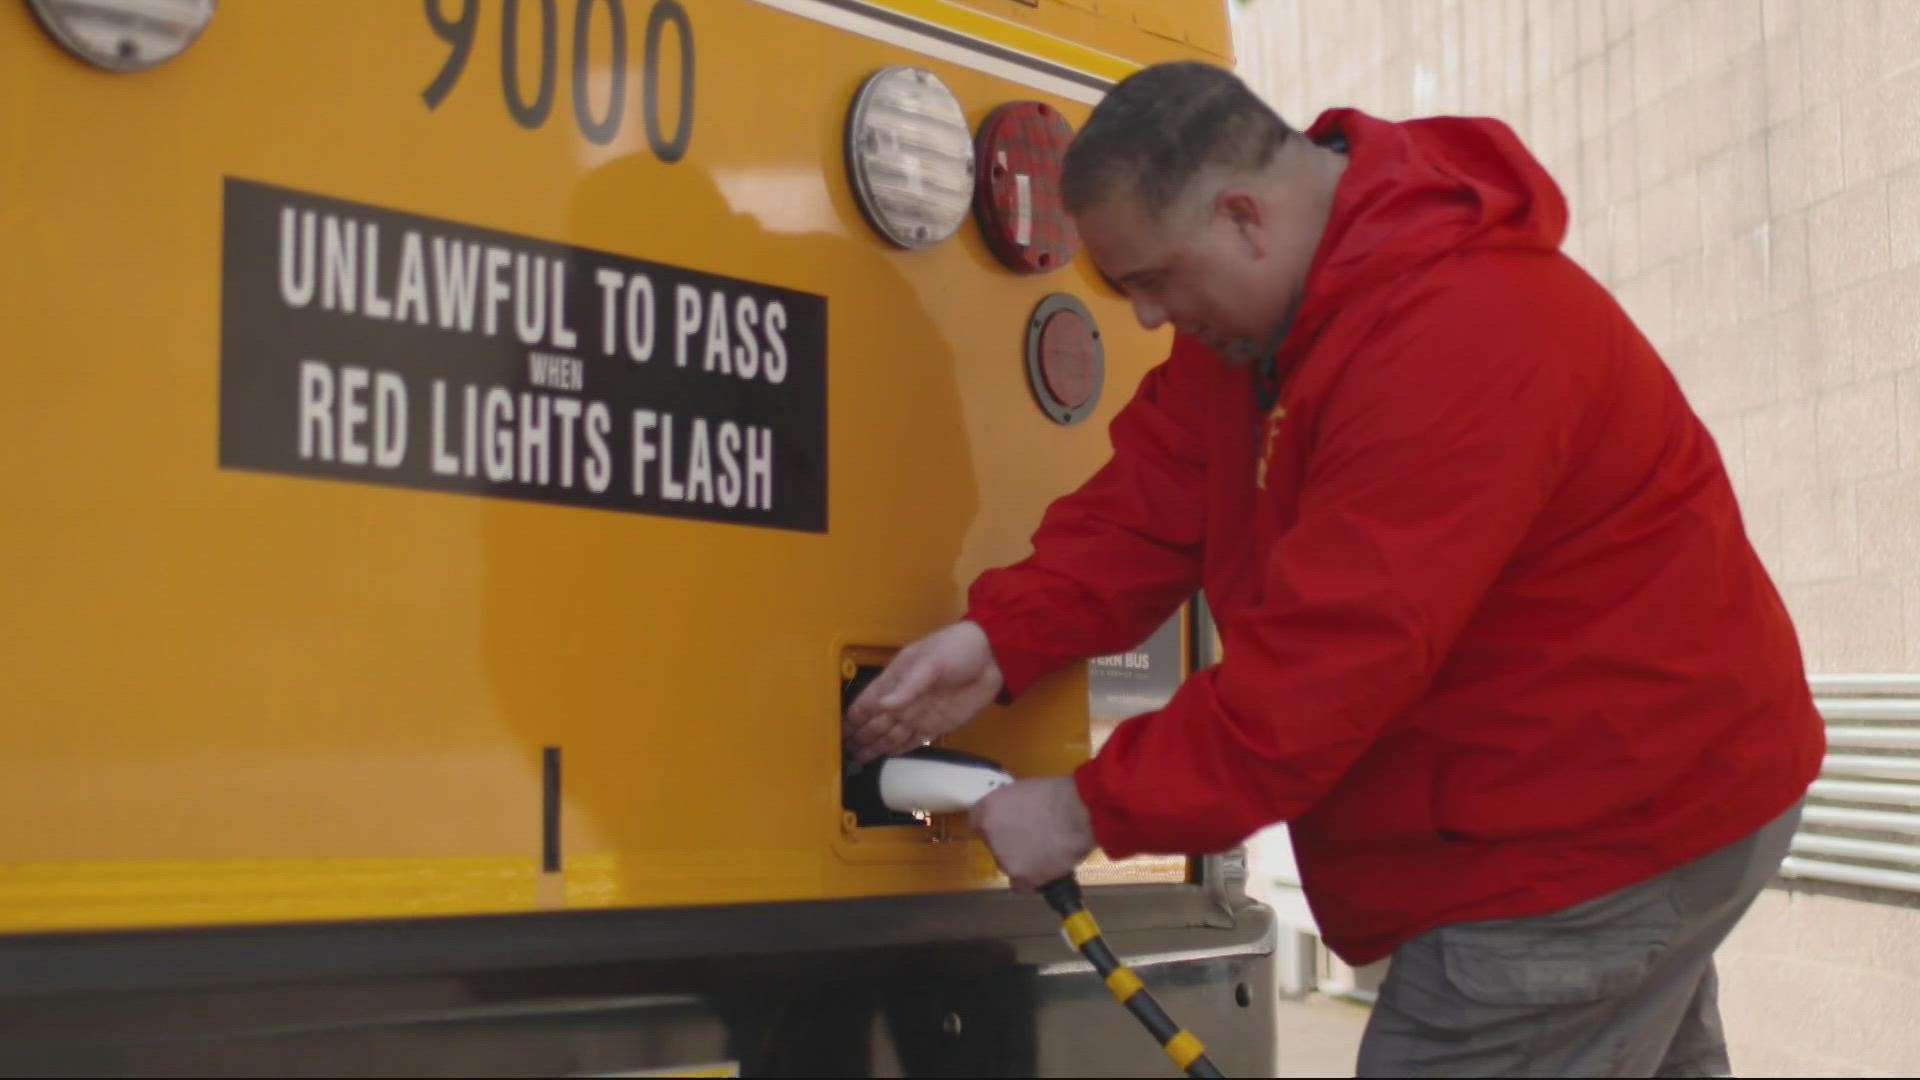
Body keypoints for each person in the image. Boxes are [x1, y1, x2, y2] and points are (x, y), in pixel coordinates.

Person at [843, 61, 1825, 1077]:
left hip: (1598, 828)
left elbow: (1320, 676)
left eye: (1150, 279)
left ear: (1242, 217)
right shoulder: (1263, 329)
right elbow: (1154, 499)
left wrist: (1082, 811)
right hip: (1605, 795)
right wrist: (1001, 639)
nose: (1143, 316)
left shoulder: (1463, 333)